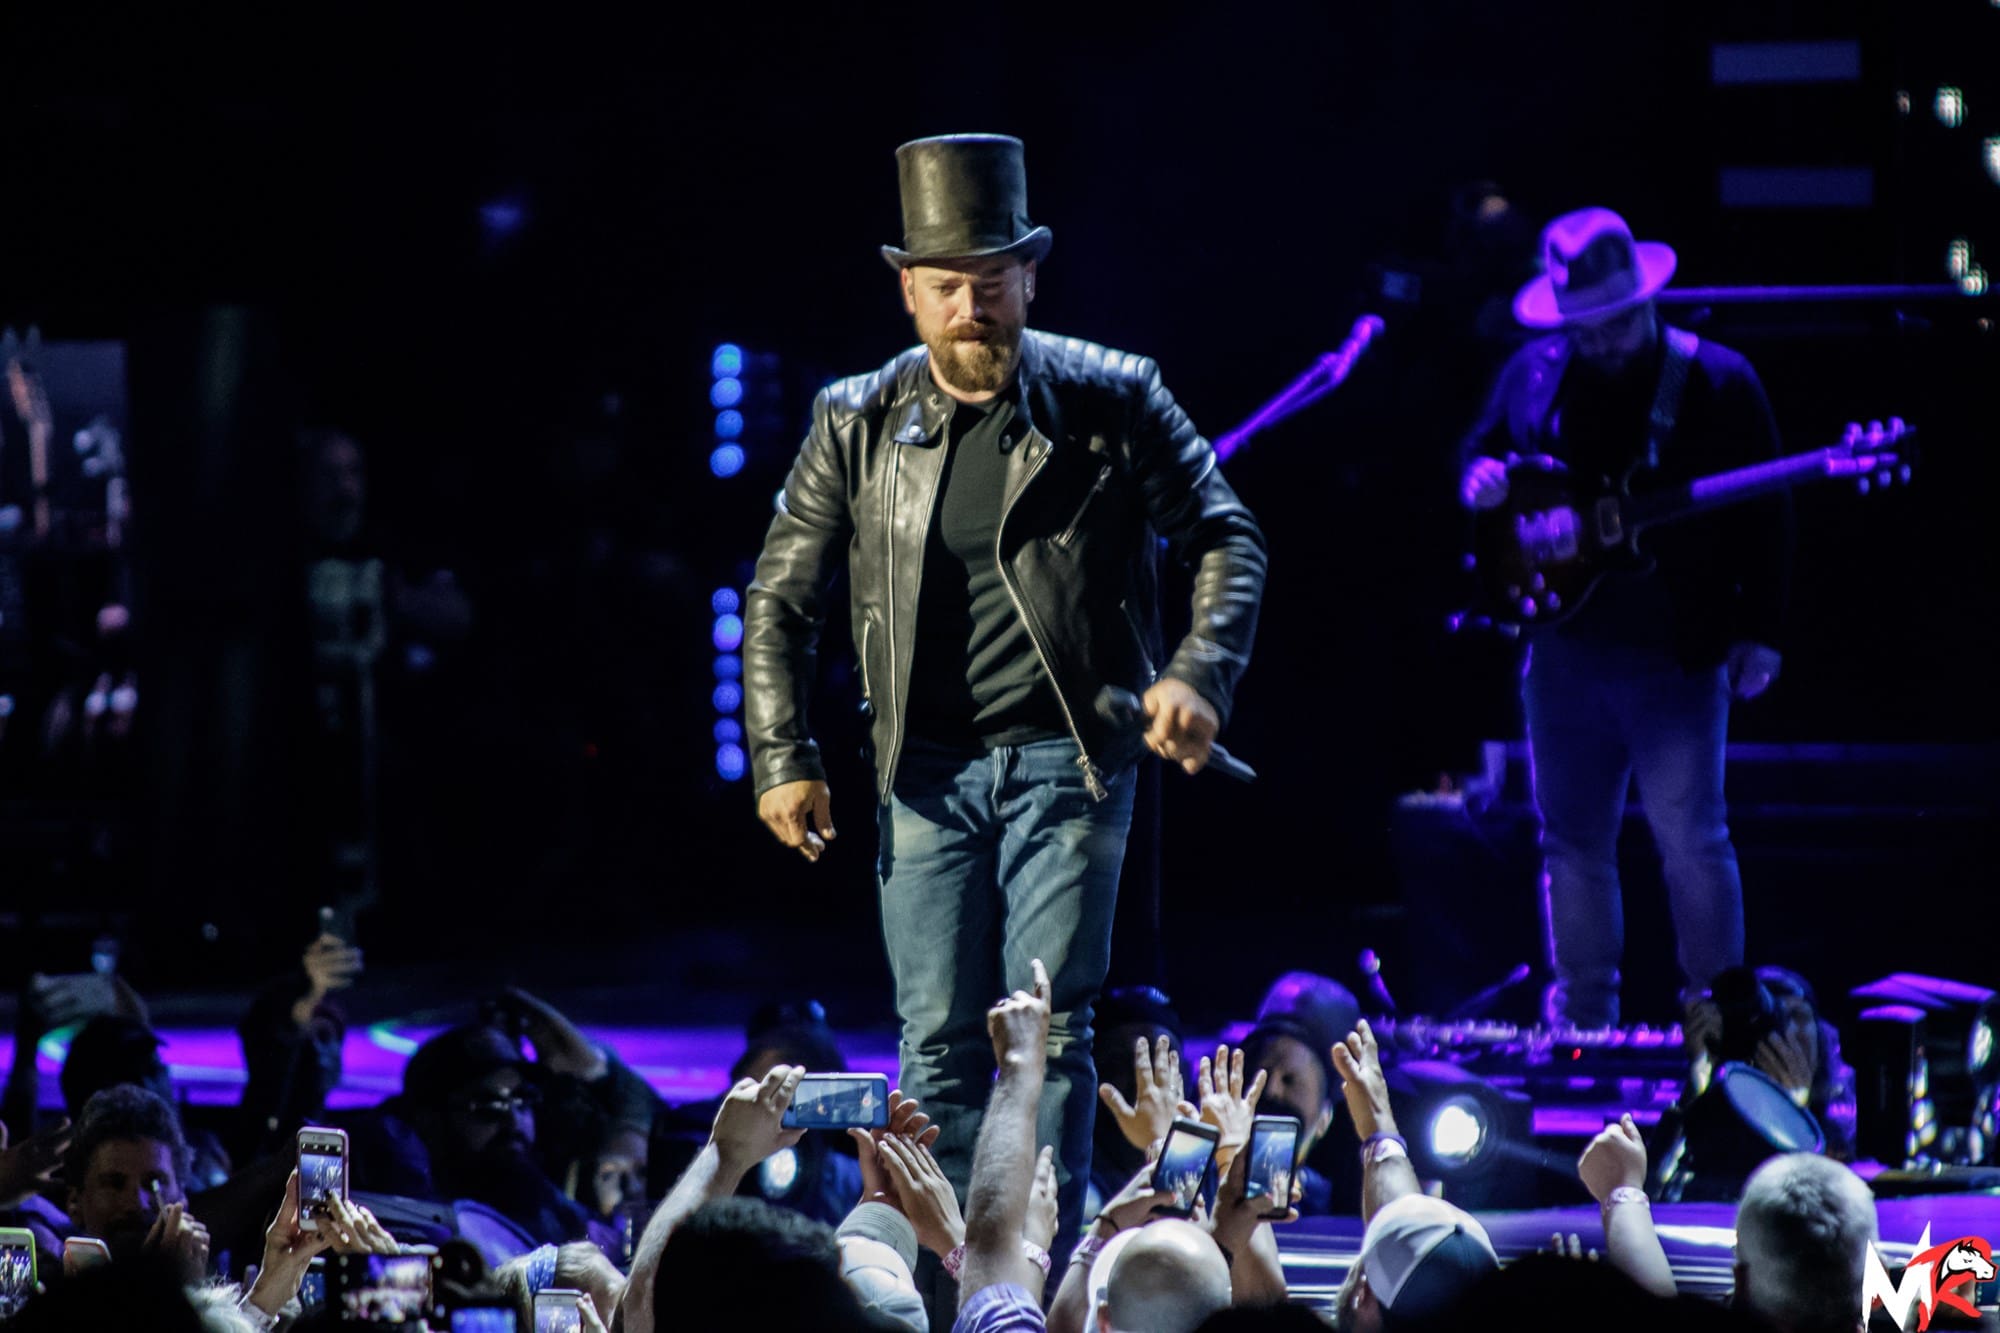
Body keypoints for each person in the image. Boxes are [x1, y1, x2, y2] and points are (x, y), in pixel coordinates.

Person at [744, 132, 1268, 1252]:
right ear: (908, 294)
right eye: (946, 287)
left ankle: (1029, 1274)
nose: (970, 308)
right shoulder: (853, 419)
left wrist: (1196, 670)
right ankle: (952, 1282)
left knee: (1050, 1034)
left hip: (1069, 760)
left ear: (1032, 274)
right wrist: (783, 753)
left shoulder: (1113, 396)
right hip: (921, 772)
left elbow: (1227, 534)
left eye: (991, 281)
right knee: (935, 1040)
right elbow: (778, 597)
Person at [1459, 206, 1791, 1028]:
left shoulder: (1715, 379)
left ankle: (1721, 1022)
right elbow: (1480, 453)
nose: (1601, 342)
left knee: (1693, 840)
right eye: (1584, 328)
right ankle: (1583, 1024)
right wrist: (1482, 479)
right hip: (1563, 648)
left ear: (1646, 300)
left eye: (1615, 323)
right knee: (1570, 841)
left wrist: (1761, 630)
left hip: (1678, 650)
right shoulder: (1535, 371)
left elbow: (1769, 513)